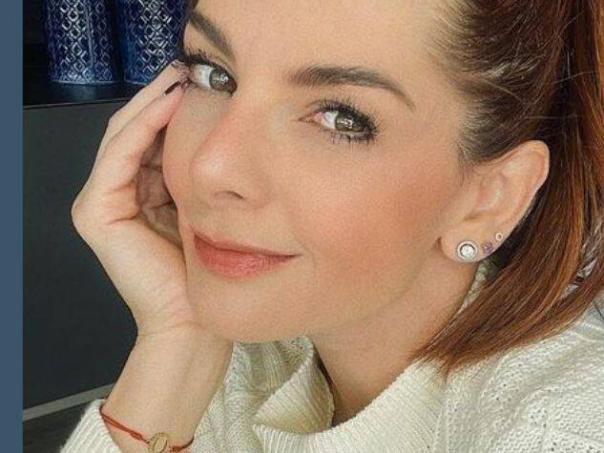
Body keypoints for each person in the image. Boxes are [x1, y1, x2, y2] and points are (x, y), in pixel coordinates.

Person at [61, 0, 604, 451]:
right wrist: (180, 340)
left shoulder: (565, 430)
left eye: (341, 117)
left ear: (490, 199)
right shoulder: (260, 345)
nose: (210, 168)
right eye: (214, 75)